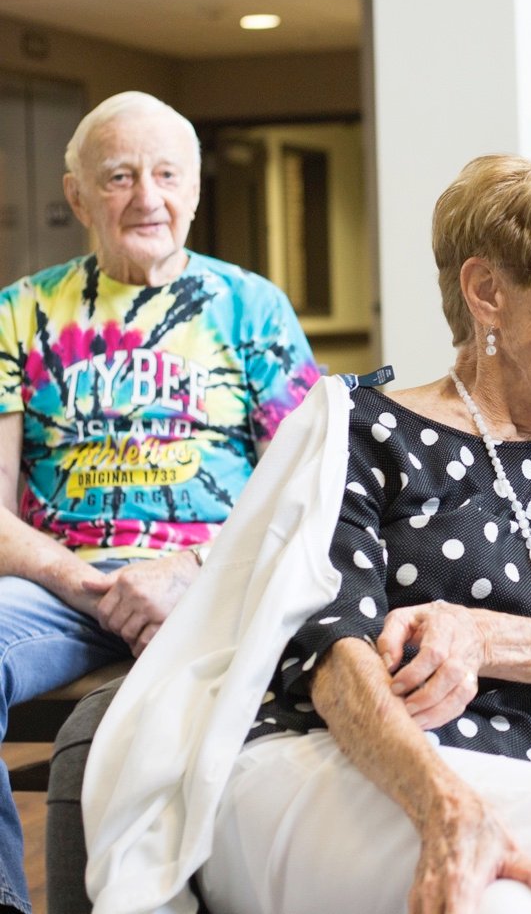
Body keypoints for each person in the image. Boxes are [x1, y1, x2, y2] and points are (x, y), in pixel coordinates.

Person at [124, 153, 531, 914]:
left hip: (527, 787)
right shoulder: (359, 429)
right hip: (329, 767)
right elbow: (333, 657)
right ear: (487, 292)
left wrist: (486, 636)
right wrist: (447, 806)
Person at [0, 91, 317, 914]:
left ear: (196, 189)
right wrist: (90, 583)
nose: (147, 197)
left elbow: (309, 484)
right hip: (62, 583)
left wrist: (189, 567)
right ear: (76, 195)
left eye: (167, 173)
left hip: (214, 576)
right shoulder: (18, 314)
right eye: (118, 176)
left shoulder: (251, 308)